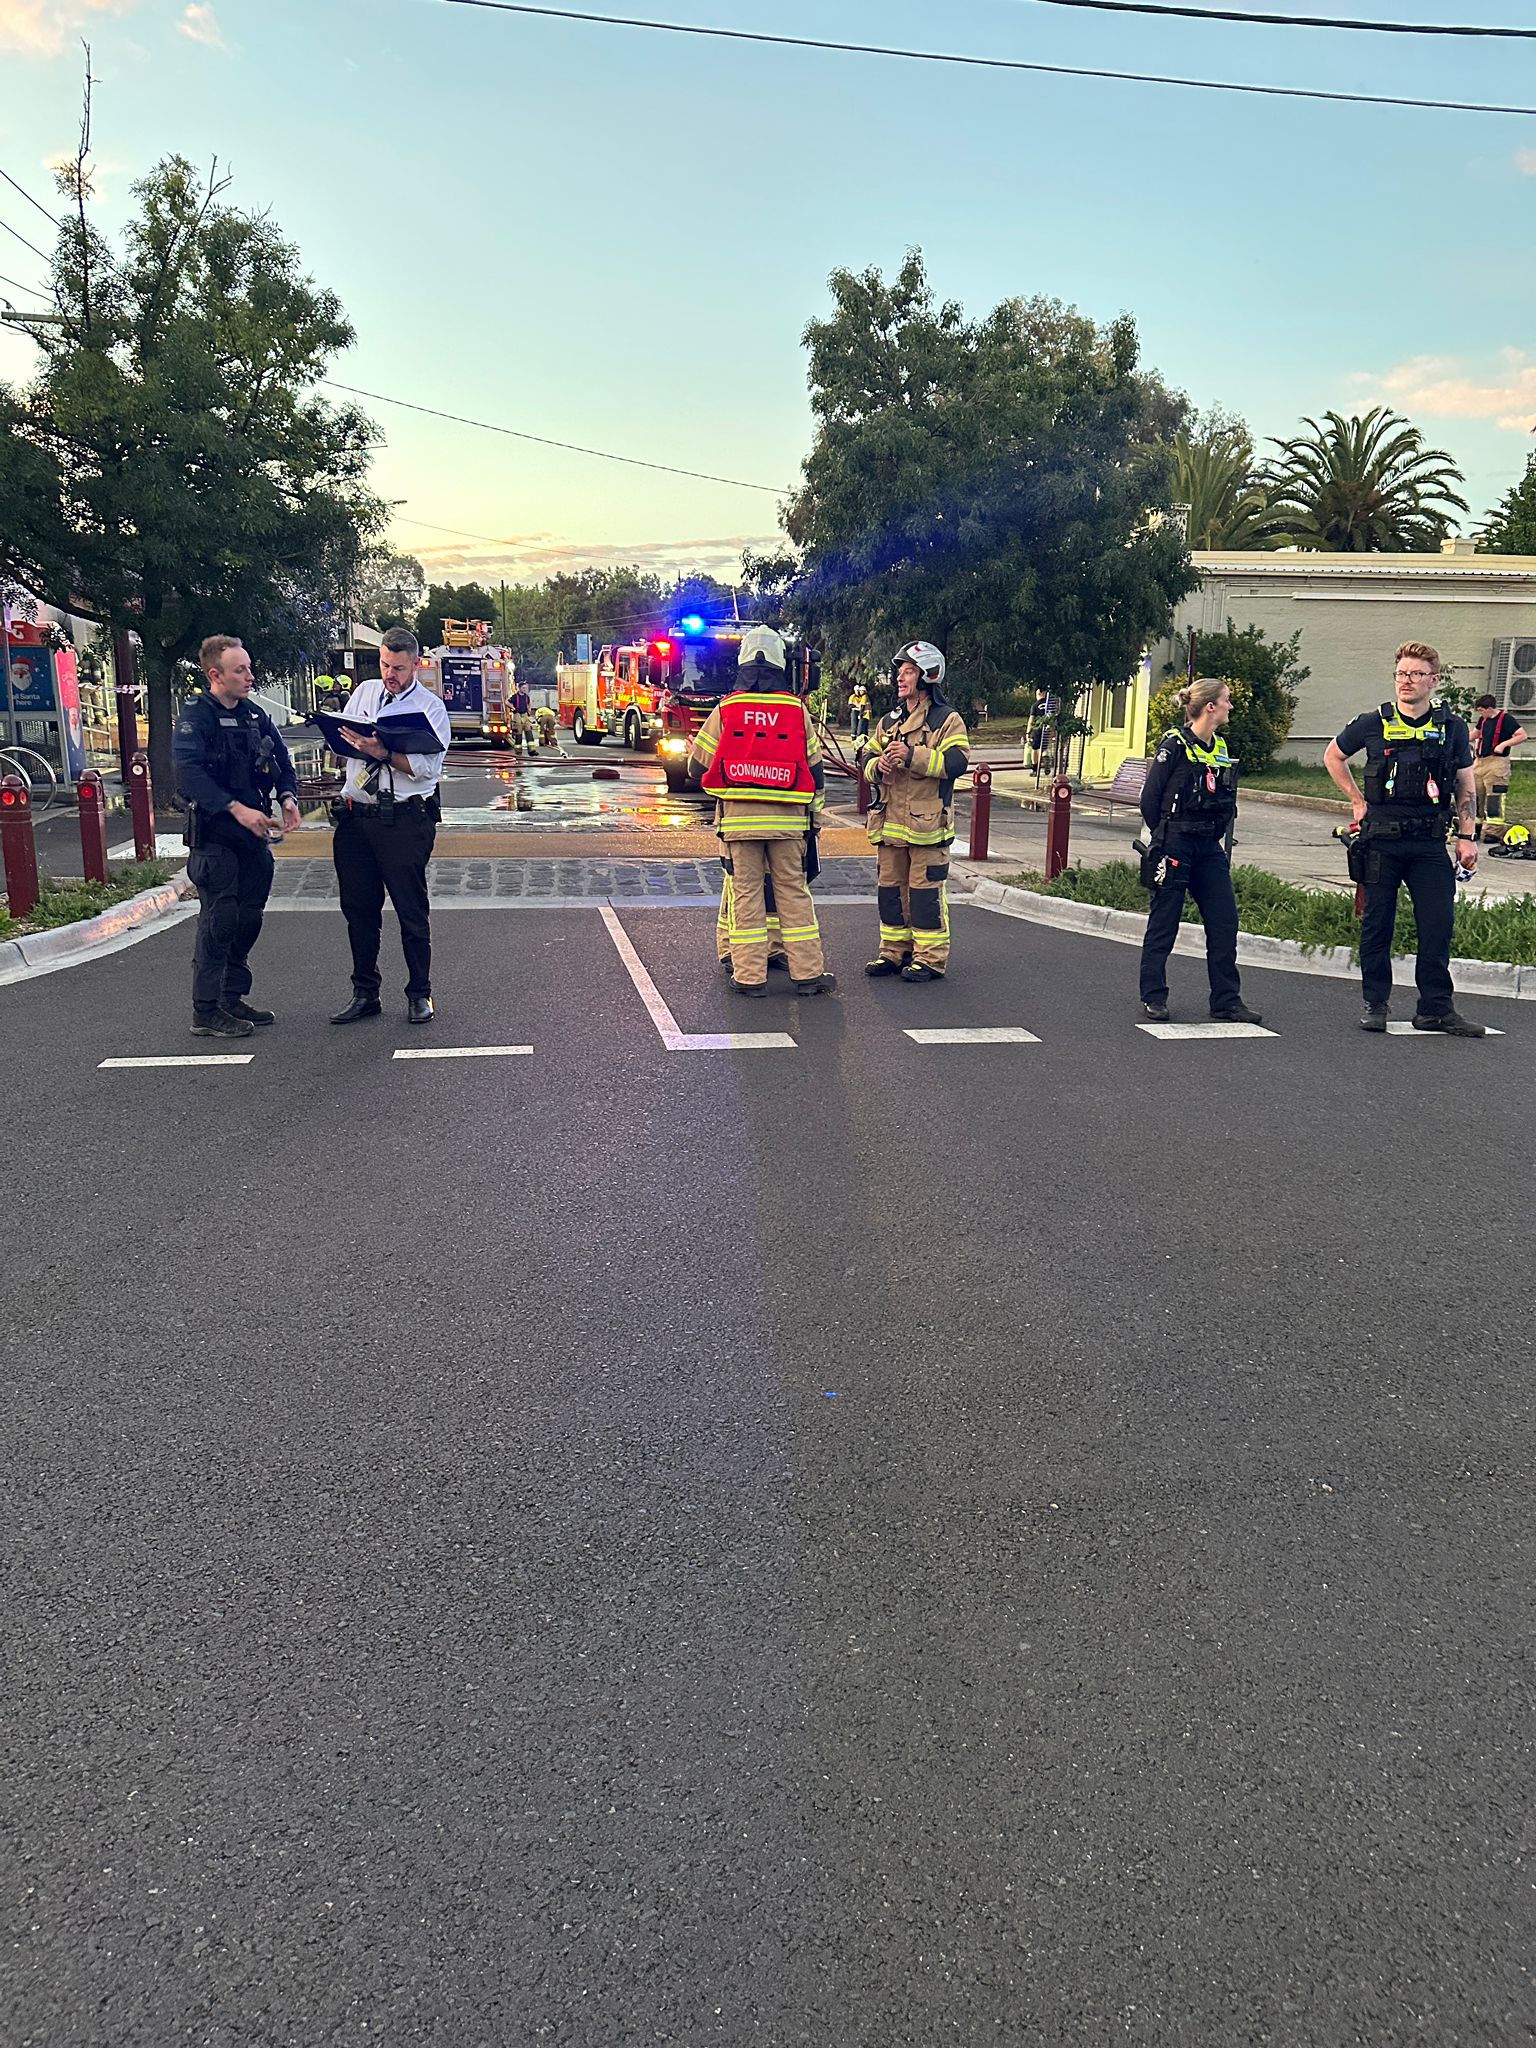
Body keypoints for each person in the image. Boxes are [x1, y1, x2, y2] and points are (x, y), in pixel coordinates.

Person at [1323, 640, 1485, 1036]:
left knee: (1437, 924)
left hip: (1430, 843)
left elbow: (1466, 785)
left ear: (1434, 680)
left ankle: (1435, 1009)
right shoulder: (1373, 721)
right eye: (1401, 674)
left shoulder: (1452, 727)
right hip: (1381, 841)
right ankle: (1375, 1003)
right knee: (1378, 925)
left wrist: (1467, 837)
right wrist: (1356, 801)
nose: (1406, 682)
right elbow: (1333, 755)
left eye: (1415, 674)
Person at [688, 624, 835, 996]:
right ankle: (808, 975)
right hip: (788, 825)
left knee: (746, 898)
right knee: (794, 894)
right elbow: (816, 774)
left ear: (744, 663)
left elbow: (696, 767)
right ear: (779, 665)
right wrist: (813, 821)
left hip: (740, 824)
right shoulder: (796, 711)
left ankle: (750, 978)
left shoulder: (727, 709)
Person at [173, 635, 300, 1038]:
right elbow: (189, 775)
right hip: (215, 834)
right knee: (220, 918)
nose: (249, 676)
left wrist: (288, 796)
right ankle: (206, 1010)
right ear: (215, 675)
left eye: (248, 668)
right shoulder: (197, 717)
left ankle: (231, 996)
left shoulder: (255, 716)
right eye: (239, 670)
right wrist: (235, 809)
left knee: (248, 917)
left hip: (252, 835)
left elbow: (282, 762)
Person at [329, 626, 452, 1026]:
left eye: (398, 667)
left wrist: (383, 752)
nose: (390, 674)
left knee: (409, 909)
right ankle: (365, 993)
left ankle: (420, 993)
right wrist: (344, 740)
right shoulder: (365, 692)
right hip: (356, 815)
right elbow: (346, 738)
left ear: (415, 664)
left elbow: (426, 771)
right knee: (358, 910)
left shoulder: (430, 708)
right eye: (384, 665)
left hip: (403, 819)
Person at [1137, 678, 1261, 1025]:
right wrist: (1163, 838)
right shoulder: (1174, 745)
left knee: (1224, 922)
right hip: (1176, 843)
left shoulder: (1218, 747)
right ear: (1211, 707)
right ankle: (1154, 996)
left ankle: (1226, 1000)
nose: (1230, 707)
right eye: (1226, 701)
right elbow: (1150, 800)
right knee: (1165, 922)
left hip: (1208, 847)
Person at [863, 640, 968, 982]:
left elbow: (956, 762)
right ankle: (893, 952)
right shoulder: (890, 719)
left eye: (908, 672)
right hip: (890, 825)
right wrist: (879, 766)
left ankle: (930, 959)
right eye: (899, 672)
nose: (900, 678)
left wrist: (912, 756)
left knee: (924, 896)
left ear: (927, 676)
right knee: (890, 892)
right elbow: (864, 757)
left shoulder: (946, 720)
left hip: (928, 827)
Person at [1471, 693, 1526, 838]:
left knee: (1494, 797)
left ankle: (1493, 831)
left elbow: (1522, 735)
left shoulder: (1506, 719)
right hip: (1480, 761)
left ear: (1490, 708)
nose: (1480, 713)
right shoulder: (1483, 720)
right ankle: (1475, 826)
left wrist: (1503, 745)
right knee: (1476, 794)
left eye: (1482, 710)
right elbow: (1475, 734)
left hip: (1497, 762)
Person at [847, 679, 871, 745]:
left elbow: (862, 706)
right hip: (855, 713)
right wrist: (856, 706)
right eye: (857, 691)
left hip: (863, 714)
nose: (858, 692)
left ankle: (863, 741)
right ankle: (854, 740)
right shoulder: (852, 697)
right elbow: (850, 705)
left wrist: (860, 713)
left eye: (859, 691)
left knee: (862, 728)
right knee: (854, 727)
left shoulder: (863, 697)